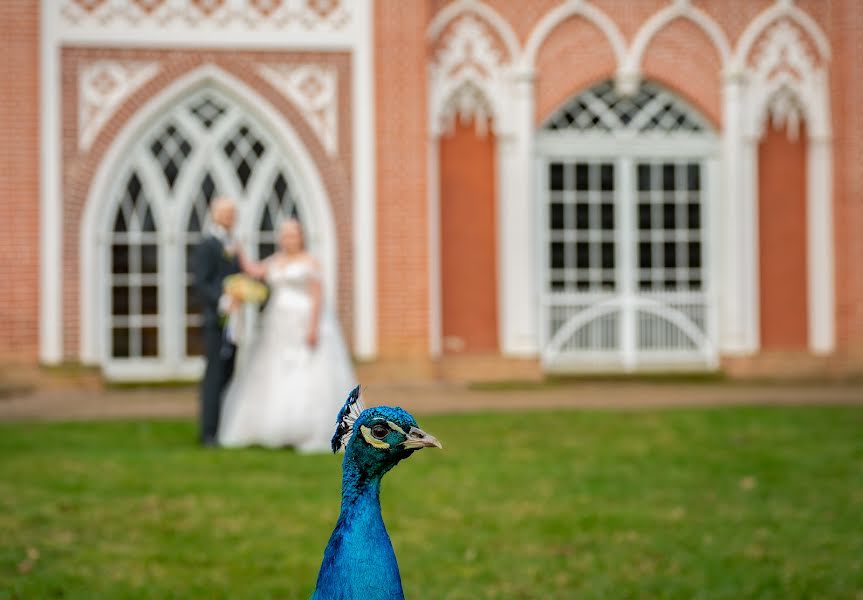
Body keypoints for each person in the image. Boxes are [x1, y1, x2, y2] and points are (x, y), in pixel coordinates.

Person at [217, 219, 357, 452]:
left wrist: (313, 328)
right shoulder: (275, 260)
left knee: (304, 370)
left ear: (301, 237)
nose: (289, 239)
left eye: (293, 234)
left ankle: (305, 427)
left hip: (302, 322)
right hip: (277, 325)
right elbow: (254, 270)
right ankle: (270, 426)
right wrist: (238, 249)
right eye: (285, 235)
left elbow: (317, 297)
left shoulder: (310, 262)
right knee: (273, 370)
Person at [192, 197, 241, 447]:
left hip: (233, 323)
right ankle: (208, 433)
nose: (229, 216)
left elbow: (238, 277)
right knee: (214, 375)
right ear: (214, 214)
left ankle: (222, 424)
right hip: (215, 321)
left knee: (228, 372)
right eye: (225, 212)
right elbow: (201, 282)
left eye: (233, 212)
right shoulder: (207, 245)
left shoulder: (233, 243)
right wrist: (223, 301)